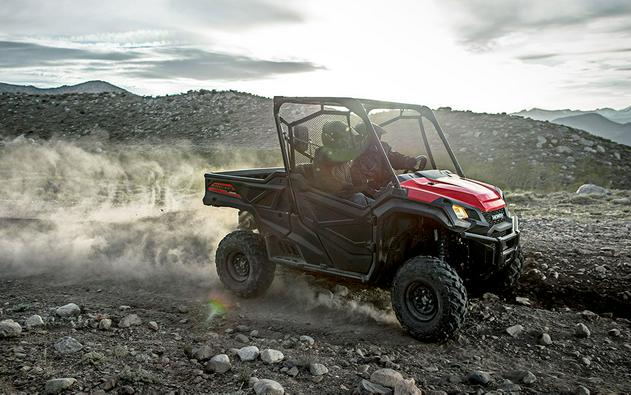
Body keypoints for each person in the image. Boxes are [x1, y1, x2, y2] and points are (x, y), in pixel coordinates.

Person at [352, 122, 427, 196]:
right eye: (376, 135)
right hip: (373, 194)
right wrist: (377, 193)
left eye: (379, 135)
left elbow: (394, 158)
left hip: (390, 186)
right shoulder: (356, 154)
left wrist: (407, 161)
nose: (378, 138)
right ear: (365, 136)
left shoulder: (383, 147)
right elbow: (361, 184)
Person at [312, 120, 371, 206]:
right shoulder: (323, 153)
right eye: (345, 138)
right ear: (332, 139)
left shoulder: (343, 158)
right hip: (332, 201)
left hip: (343, 197)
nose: (348, 141)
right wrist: (368, 140)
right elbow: (348, 155)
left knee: (378, 204)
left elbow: (351, 180)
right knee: (360, 198)